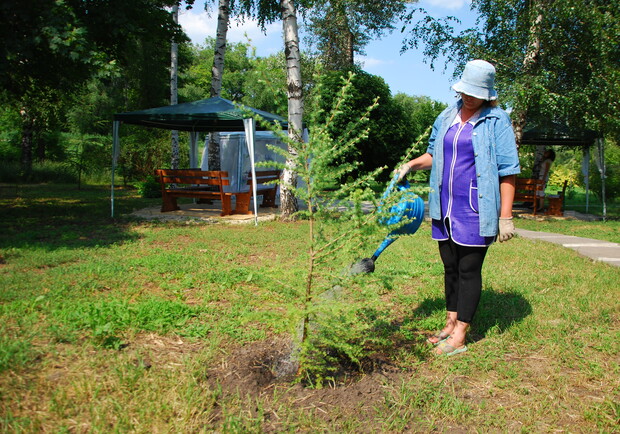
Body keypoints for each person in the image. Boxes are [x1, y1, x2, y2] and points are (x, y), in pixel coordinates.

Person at [397, 59, 521, 356]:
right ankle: (450, 322)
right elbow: (433, 154)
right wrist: (412, 165)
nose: (468, 97)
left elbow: (508, 170)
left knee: (468, 269)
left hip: (476, 208)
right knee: (450, 267)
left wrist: (506, 216)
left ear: (488, 93)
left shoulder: (497, 120)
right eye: (465, 90)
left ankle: (461, 334)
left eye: (475, 93)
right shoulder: (447, 115)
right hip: (444, 206)